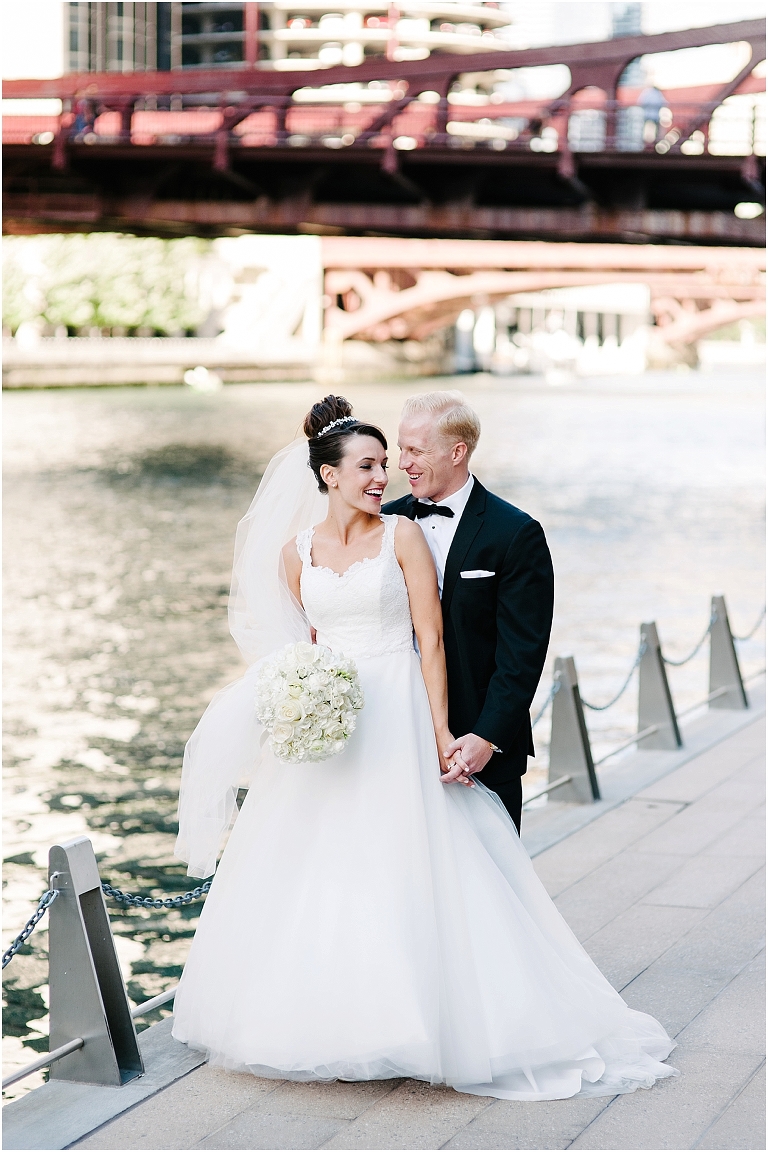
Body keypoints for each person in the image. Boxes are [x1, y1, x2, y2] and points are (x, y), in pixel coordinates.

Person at [172, 395, 677, 1100]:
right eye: (378, 460)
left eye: (405, 455)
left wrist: (461, 733)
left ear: (456, 451)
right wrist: (296, 700)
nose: (393, 470)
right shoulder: (324, 544)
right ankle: (336, 1016)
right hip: (337, 724)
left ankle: (468, 1018)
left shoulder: (506, 533)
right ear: (327, 474)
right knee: (328, 864)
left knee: (449, 876)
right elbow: (298, 641)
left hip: (429, 720)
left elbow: (504, 650)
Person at [383, 391, 553, 832]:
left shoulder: (515, 533)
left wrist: (488, 738)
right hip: (391, 737)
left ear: (457, 452)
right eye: (401, 449)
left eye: (416, 450)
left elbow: (522, 655)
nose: (402, 463)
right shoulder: (382, 524)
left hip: (476, 750)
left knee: (491, 889)